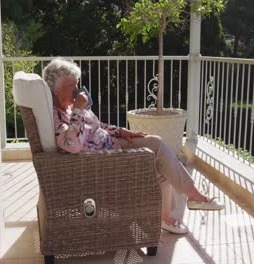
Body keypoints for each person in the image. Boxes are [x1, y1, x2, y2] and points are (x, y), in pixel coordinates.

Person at [43, 58, 224, 235]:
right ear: (56, 89)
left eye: (77, 84)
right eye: (72, 85)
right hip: (104, 160)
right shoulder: (57, 115)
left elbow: (96, 126)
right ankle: (185, 203)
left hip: (113, 143)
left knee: (156, 142)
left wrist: (122, 131)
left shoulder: (71, 108)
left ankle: (177, 208)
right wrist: (78, 110)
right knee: (158, 161)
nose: (77, 90)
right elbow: (71, 145)